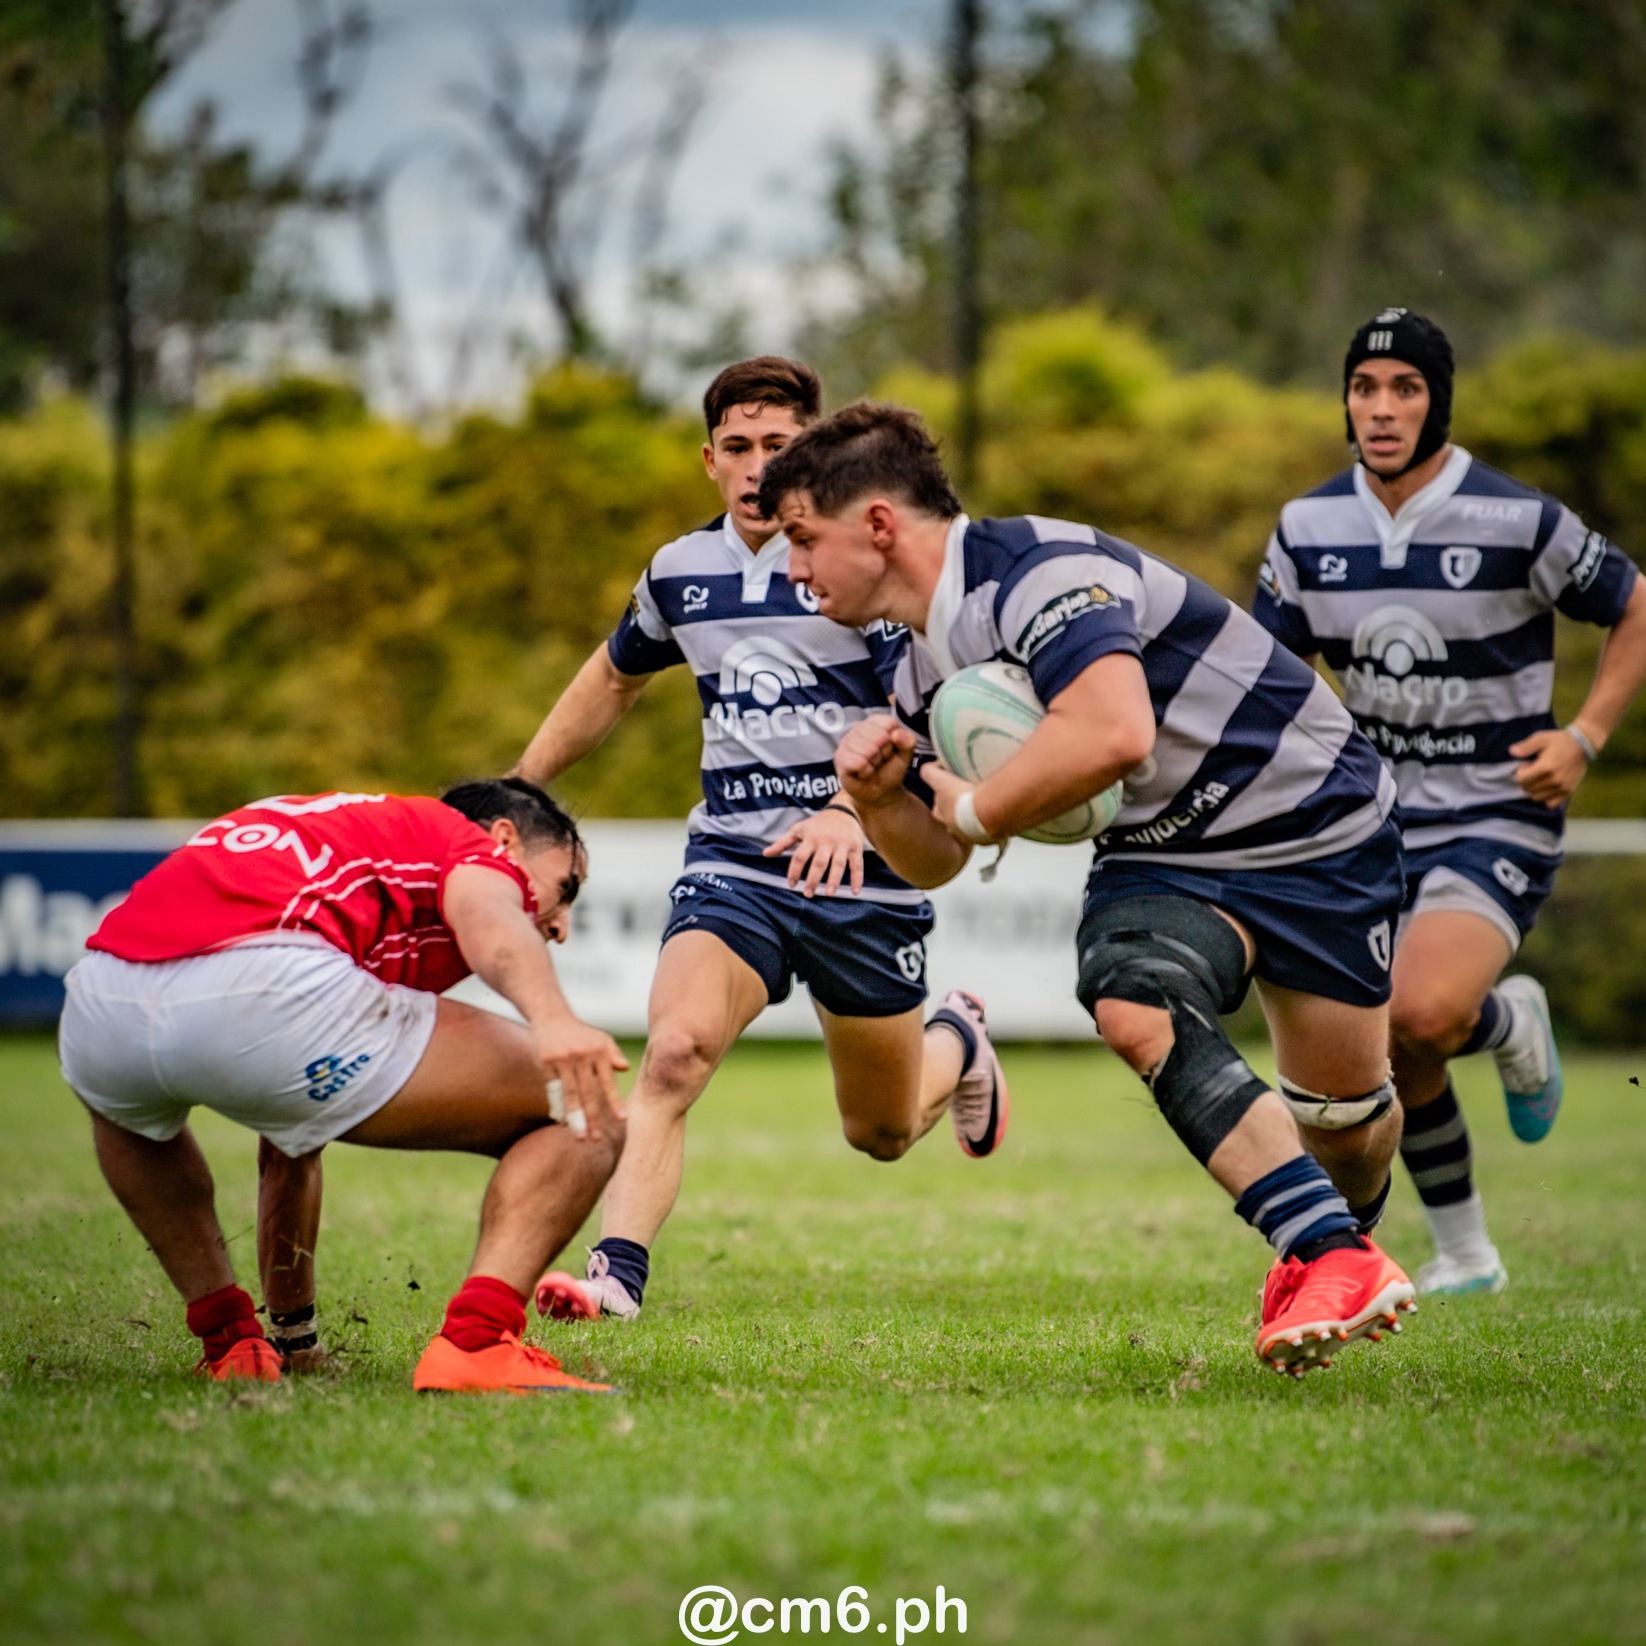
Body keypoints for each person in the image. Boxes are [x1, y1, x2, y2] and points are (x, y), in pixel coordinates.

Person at [757, 400, 1419, 1377]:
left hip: (1312, 821)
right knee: (1126, 992)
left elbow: (1114, 732)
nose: (793, 569)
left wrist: (979, 807)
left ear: (879, 524)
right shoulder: (909, 659)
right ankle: (1328, 1253)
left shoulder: (1039, 571)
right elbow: (936, 856)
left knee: (1345, 1125)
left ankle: (1327, 1237)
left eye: (802, 539)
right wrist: (875, 795)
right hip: (1164, 849)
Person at [515, 356, 1006, 1324]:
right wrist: (522, 785)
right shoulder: (678, 572)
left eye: (776, 446)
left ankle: (956, 1039)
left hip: (867, 867)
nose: (753, 466)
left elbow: (927, 705)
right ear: (707, 460)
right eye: (735, 447)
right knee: (672, 1054)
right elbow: (613, 677)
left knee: (878, 1130)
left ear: (814, 454)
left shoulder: (858, 564)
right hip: (734, 860)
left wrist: (845, 805)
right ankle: (616, 1271)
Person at [1255, 308, 1646, 1295]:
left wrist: (1583, 735)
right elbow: (1265, 675)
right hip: (1367, 819)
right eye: (1362, 388)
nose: (1380, 409)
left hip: (1492, 808)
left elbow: (1633, 603)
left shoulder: (1516, 518)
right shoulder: (1306, 529)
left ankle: (1501, 1019)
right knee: (1382, 1034)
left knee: (1422, 1009)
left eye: (1403, 388)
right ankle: (1465, 1252)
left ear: (1436, 402)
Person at [57, 779, 628, 1393]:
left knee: (136, 1123)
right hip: (263, 979)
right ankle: (478, 1343)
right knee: (583, 1104)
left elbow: (289, 1144)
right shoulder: (466, 844)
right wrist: (554, 1020)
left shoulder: (344, 845)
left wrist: (296, 1335)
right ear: (505, 839)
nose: (562, 925)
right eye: (565, 889)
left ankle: (237, 1344)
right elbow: (488, 912)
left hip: (100, 1001)